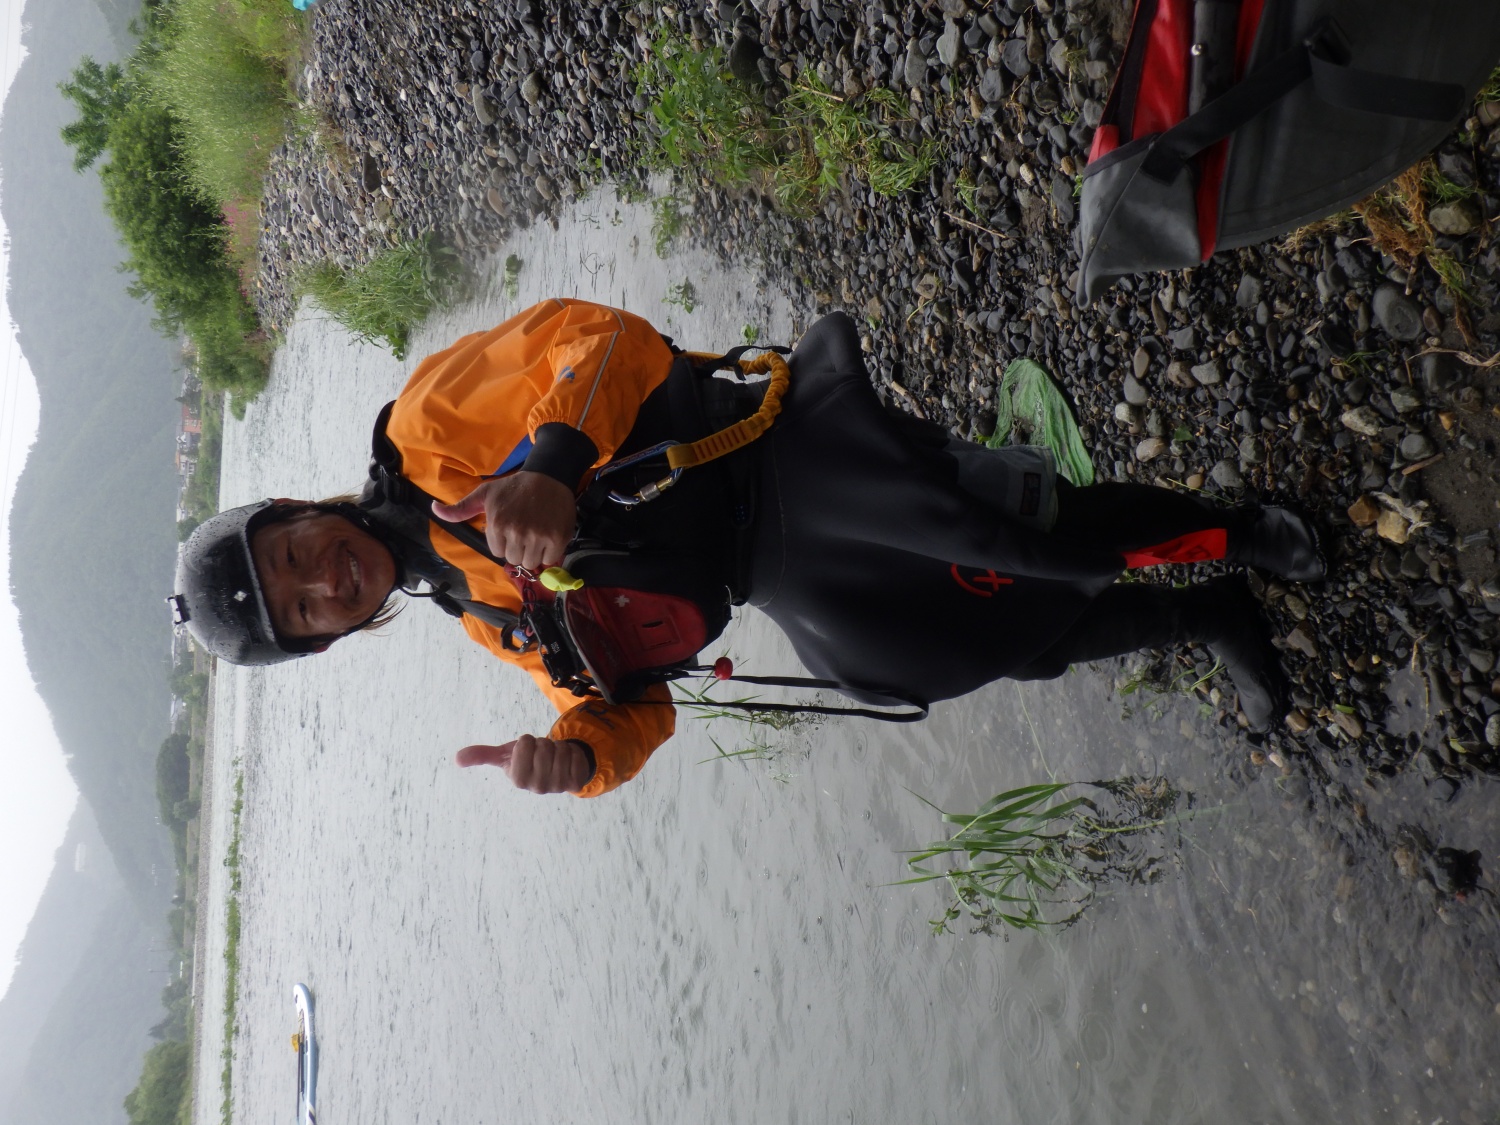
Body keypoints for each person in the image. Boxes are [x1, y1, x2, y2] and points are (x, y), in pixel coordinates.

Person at [172, 298, 1324, 798]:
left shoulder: (428, 430)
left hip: (767, 451)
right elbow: (630, 708)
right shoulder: (474, 611)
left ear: (295, 511)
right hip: (768, 576)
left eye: (293, 555)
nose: (323, 580)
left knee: (998, 535)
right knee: (941, 651)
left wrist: (553, 461)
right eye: (303, 609)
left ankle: (1238, 531)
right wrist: (581, 757)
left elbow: (601, 339)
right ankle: (1204, 613)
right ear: (326, 640)